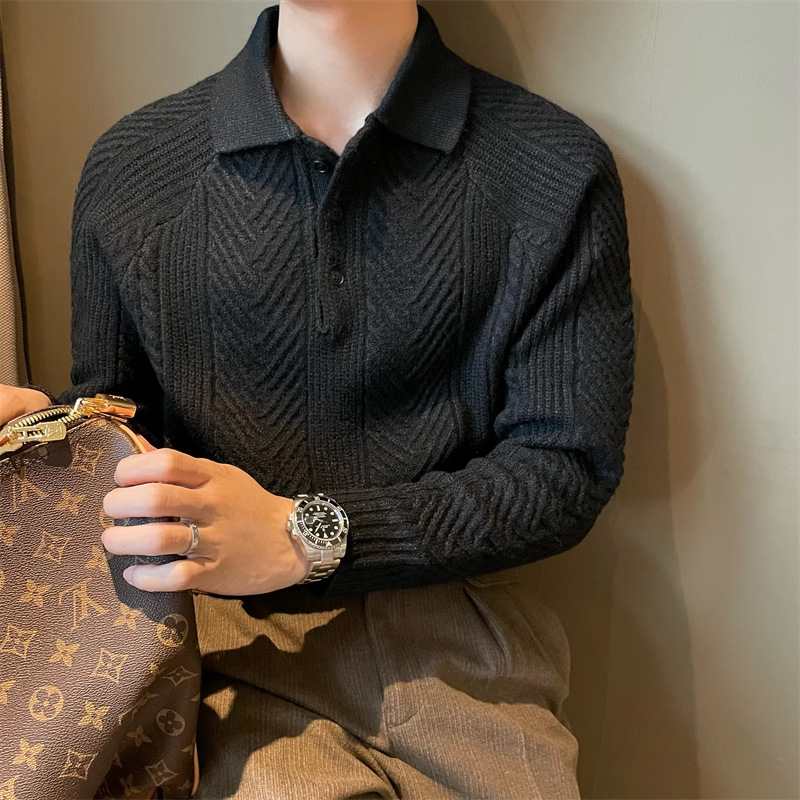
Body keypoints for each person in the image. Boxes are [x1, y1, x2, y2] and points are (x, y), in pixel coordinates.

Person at [0, 0, 635, 797]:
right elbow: (124, 432)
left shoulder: (552, 166)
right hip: (219, 650)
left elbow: (565, 468)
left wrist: (305, 535)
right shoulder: (135, 167)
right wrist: (45, 446)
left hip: (467, 644)